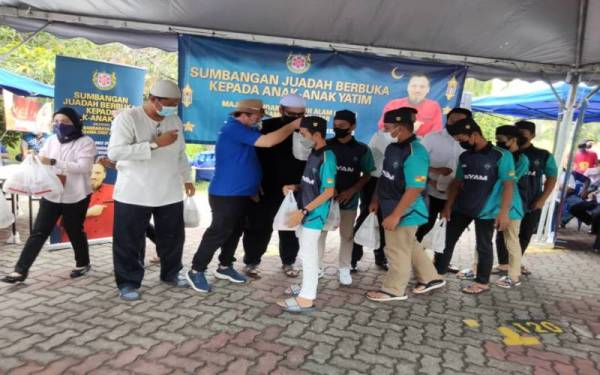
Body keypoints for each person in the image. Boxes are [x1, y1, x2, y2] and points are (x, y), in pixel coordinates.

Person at [186, 99, 301, 294]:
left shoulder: (246, 130)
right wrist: (294, 125)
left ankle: (225, 266)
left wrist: (253, 187)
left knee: (235, 230)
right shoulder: (234, 129)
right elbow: (269, 141)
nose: (260, 120)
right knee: (219, 232)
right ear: (246, 114)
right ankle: (196, 270)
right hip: (226, 193)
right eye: (257, 116)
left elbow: (248, 160)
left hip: (243, 193)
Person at [108, 79, 195, 301]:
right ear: (153, 99)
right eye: (169, 102)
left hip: (169, 191)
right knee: (129, 240)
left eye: (176, 103)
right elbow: (115, 153)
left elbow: (180, 153)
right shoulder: (128, 118)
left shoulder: (174, 119)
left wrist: (187, 178)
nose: (173, 107)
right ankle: (128, 282)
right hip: (134, 192)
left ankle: (171, 273)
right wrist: (155, 144)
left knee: (173, 238)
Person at [2, 107, 96, 283]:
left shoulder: (86, 142)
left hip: (76, 195)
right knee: (39, 231)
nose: (60, 125)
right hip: (51, 193)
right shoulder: (52, 140)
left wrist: (54, 162)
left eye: (66, 122)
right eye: (57, 121)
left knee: (74, 229)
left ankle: (83, 264)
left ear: (76, 123)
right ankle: (20, 271)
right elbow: (42, 158)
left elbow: (84, 168)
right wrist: (35, 158)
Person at [366, 107, 445, 302]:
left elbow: (415, 188)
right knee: (409, 244)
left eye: (388, 127)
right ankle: (430, 278)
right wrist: (376, 199)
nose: (385, 131)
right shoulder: (393, 148)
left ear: (400, 128)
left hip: (405, 211)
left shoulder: (415, 152)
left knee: (396, 249)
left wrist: (395, 215)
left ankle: (394, 290)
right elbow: (385, 177)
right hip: (389, 205)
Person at [435, 118, 515, 294]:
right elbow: (457, 182)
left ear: (475, 134)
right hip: (461, 207)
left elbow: (508, 185)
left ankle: (482, 283)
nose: (460, 142)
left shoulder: (501, 155)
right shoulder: (465, 156)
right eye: (457, 139)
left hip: (487, 210)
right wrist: (448, 206)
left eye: (462, 138)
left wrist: (504, 212)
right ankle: (437, 275)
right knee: (445, 242)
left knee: (483, 246)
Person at [242, 94, 307, 278]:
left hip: (295, 190)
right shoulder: (266, 127)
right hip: (265, 187)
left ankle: (289, 261)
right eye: (291, 114)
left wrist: (302, 186)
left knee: (291, 227)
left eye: (300, 114)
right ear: (280, 110)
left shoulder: (307, 129)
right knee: (258, 226)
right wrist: (253, 185)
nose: (296, 118)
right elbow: (251, 158)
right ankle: (252, 262)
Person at [276, 116, 336, 313]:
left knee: (309, 256)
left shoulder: (328, 157)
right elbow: (311, 183)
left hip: (313, 215)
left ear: (316, 134)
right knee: (304, 253)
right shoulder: (314, 153)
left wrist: (304, 211)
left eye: (303, 134)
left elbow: (328, 191)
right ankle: (304, 288)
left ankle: (307, 299)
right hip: (304, 211)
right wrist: (295, 186)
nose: (301, 138)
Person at [319, 110, 374, 285]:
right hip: (325, 200)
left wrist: (351, 191)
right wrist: (329, 189)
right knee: (320, 233)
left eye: (343, 126)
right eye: (336, 125)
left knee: (347, 235)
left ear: (353, 126)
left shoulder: (362, 149)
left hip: (349, 201)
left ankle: (344, 268)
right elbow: (317, 170)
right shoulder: (325, 145)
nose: (338, 128)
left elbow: (367, 174)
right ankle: (317, 268)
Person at [416, 107, 472, 274]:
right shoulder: (432, 138)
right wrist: (434, 173)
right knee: (424, 227)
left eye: (460, 121)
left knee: (449, 231)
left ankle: (441, 264)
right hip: (432, 193)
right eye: (452, 120)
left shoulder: (469, 143)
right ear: (447, 120)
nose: (455, 124)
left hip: (456, 195)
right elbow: (418, 162)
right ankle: (416, 260)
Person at [487, 126, 529, 288]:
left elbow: (509, 182)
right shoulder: (498, 155)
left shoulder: (522, 159)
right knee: (484, 238)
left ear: (514, 140)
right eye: (497, 140)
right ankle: (477, 269)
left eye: (502, 140)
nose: (498, 143)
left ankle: (514, 275)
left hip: (511, 205)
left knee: (511, 241)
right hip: (491, 204)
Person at [514, 120, 558, 273]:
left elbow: (552, 178)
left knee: (525, 233)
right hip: (510, 201)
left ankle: (516, 262)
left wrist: (542, 199)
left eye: (522, 133)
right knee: (505, 234)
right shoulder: (506, 152)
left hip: (532, 201)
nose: (518, 136)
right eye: (516, 132)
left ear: (532, 135)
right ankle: (505, 263)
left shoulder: (544, 155)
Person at [378, 73, 443, 137]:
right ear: (408, 87)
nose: (417, 90)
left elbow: (436, 132)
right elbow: (382, 127)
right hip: (396, 144)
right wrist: (409, 129)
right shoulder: (393, 105)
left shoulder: (434, 106)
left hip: (423, 145)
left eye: (422, 87)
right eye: (414, 86)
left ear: (428, 89)